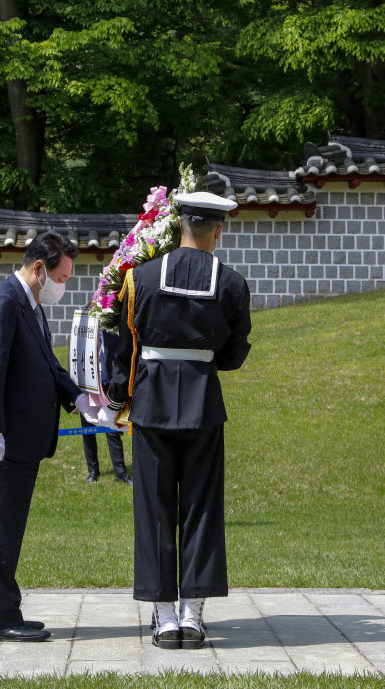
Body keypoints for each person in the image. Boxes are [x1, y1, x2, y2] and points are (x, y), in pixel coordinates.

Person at [102, 191, 252, 650]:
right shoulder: (231, 283)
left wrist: (118, 393)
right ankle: (193, 614)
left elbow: (123, 343)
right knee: (202, 507)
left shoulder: (139, 277)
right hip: (203, 402)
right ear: (218, 230)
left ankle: (163, 615)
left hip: (151, 402)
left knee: (154, 506)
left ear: (178, 224)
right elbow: (235, 351)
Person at [0, 231, 88, 642]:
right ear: (39, 268)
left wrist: (79, 399)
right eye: (63, 277)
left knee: (7, 529)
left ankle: (2, 610)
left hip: (20, 439)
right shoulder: (3, 303)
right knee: (1, 530)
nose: (63, 287)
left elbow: (47, 365)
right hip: (1, 439)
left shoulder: (29, 305)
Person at [81, 331, 131, 484]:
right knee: (88, 433)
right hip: (88, 391)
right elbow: (74, 365)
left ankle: (121, 473)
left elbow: (118, 364)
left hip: (108, 390)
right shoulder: (81, 339)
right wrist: (74, 398)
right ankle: (93, 472)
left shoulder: (112, 338)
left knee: (112, 432)